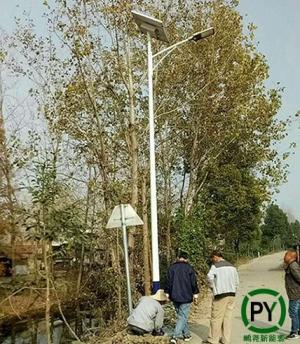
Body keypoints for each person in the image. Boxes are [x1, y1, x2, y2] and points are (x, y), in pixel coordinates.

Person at [203, 251, 239, 344]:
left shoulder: (215, 266)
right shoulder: (232, 266)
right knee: (227, 318)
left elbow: (209, 277)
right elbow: (236, 282)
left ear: (216, 257)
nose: (212, 261)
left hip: (220, 295)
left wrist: (213, 287)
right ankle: (226, 340)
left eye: (213, 258)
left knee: (216, 318)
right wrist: (233, 290)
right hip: (231, 295)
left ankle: (213, 340)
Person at [165, 249, 199, 343]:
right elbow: (193, 283)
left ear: (178, 258)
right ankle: (175, 336)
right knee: (183, 316)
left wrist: (167, 293)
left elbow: (168, 282)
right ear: (186, 259)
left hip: (174, 296)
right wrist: (195, 295)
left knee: (181, 316)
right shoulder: (189, 268)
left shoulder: (171, 268)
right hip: (186, 296)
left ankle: (186, 334)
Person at [284, 249, 300, 340]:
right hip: (295, 293)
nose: (284, 256)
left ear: (291, 257)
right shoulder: (291, 265)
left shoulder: (293, 266)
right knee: (297, 312)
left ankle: (294, 332)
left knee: (293, 312)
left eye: (286, 255)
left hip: (295, 294)